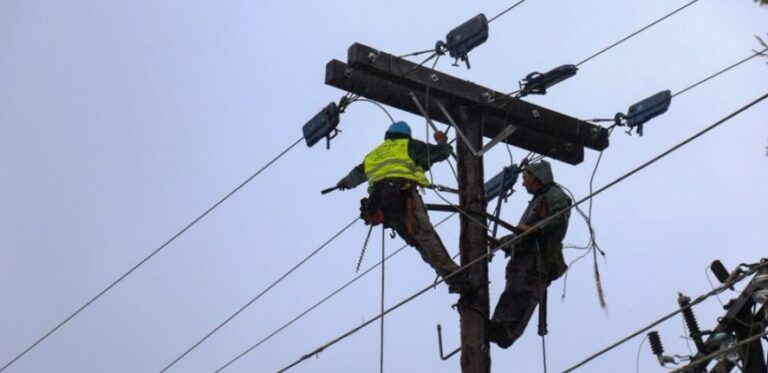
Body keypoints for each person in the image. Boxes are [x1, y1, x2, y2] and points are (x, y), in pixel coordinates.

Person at [335, 121, 469, 293]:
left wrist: (345, 182)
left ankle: (452, 279)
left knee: (417, 242)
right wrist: (442, 141)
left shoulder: (374, 154)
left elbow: (357, 174)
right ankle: (455, 277)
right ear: (406, 135)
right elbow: (441, 153)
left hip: (382, 203)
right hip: (403, 195)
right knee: (425, 236)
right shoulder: (409, 145)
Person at [489, 160, 571, 348]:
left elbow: (559, 220)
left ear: (537, 177)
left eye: (525, 177)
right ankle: (497, 326)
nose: (523, 182)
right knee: (512, 293)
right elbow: (524, 232)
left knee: (525, 295)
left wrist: (533, 230)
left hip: (538, 258)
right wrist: (502, 242)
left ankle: (508, 333)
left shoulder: (554, 194)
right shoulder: (537, 200)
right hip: (523, 259)